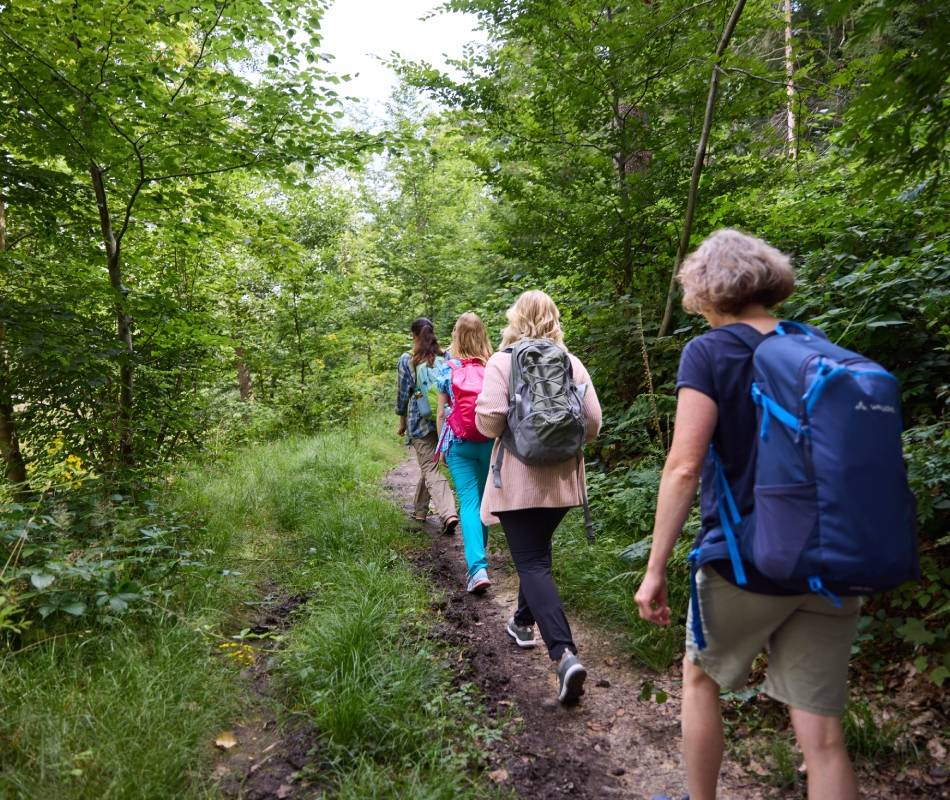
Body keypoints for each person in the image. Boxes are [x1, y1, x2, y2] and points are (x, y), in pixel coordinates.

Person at [635, 229, 861, 800]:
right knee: (824, 738)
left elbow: (684, 466)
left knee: (700, 679)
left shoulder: (709, 352)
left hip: (744, 556)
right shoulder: (813, 344)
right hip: (829, 557)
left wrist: (655, 568)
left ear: (704, 290)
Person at [475, 290, 602, 703]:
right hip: (563, 482)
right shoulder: (571, 362)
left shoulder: (503, 361)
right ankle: (521, 622)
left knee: (531, 563)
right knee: (537, 555)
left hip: (518, 481)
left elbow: (490, 422)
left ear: (515, 319)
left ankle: (564, 655)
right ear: (554, 320)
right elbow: (593, 423)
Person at [434, 313, 495, 594]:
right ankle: (479, 559)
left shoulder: (447, 368)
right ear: (482, 335)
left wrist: (442, 447)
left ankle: (477, 568)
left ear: (456, 336)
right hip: (489, 441)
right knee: (483, 502)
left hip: (459, 443)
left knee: (469, 502)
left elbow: (441, 413)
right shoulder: (493, 366)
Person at [396, 317, 459, 535]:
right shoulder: (447, 357)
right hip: (445, 419)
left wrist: (402, 422)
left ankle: (448, 513)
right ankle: (420, 512)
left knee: (430, 468)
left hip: (419, 421)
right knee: (429, 465)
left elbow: (403, 395)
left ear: (413, 335)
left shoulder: (407, 360)